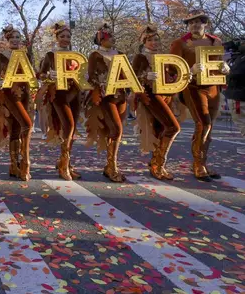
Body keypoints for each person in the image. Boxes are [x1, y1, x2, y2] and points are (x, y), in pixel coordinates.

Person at [171, 10, 230, 181]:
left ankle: (202, 162)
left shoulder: (215, 41)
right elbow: (171, 68)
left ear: (205, 23)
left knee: (209, 127)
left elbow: (220, 62)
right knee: (203, 123)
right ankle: (198, 164)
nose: (195, 25)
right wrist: (189, 70)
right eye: (191, 22)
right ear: (188, 25)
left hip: (213, 87)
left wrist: (225, 67)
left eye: (198, 22)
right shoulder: (180, 43)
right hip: (193, 87)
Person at [132, 25, 181, 180]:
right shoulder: (140, 57)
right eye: (150, 40)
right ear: (144, 42)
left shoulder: (164, 56)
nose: (154, 43)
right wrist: (145, 76)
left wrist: (186, 75)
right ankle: (158, 164)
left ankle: (155, 164)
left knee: (160, 130)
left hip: (166, 94)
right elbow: (131, 77)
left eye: (156, 40)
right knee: (173, 127)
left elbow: (173, 74)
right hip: (150, 95)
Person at [38, 22, 82, 181]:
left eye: (68, 36)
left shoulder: (76, 56)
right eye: (62, 36)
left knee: (72, 129)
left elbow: (82, 75)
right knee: (68, 125)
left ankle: (67, 163)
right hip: (58, 93)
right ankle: (64, 165)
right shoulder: (50, 55)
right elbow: (40, 74)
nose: (65, 39)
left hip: (75, 93)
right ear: (56, 38)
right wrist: (50, 75)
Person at [85, 23, 127, 183]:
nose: (112, 37)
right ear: (101, 39)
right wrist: (99, 84)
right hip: (105, 96)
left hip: (120, 95)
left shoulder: (120, 53)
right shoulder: (95, 55)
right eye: (108, 35)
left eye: (112, 35)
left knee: (114, 132)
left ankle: (108, 165)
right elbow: (91, 76)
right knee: (117, 129)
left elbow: (127, 73)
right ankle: (112, 167)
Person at [0, 25, 34, 181]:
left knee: (16, 129)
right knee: (27, 124)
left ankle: (13, 165)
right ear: (8, 40)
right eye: (13, 37)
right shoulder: (2, 57)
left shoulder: (26, 55)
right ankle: (25, 162)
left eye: (18, 37)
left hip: (25, 94)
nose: (16, 40)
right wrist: (0, 82)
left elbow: (32, 75)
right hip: (9, 95)